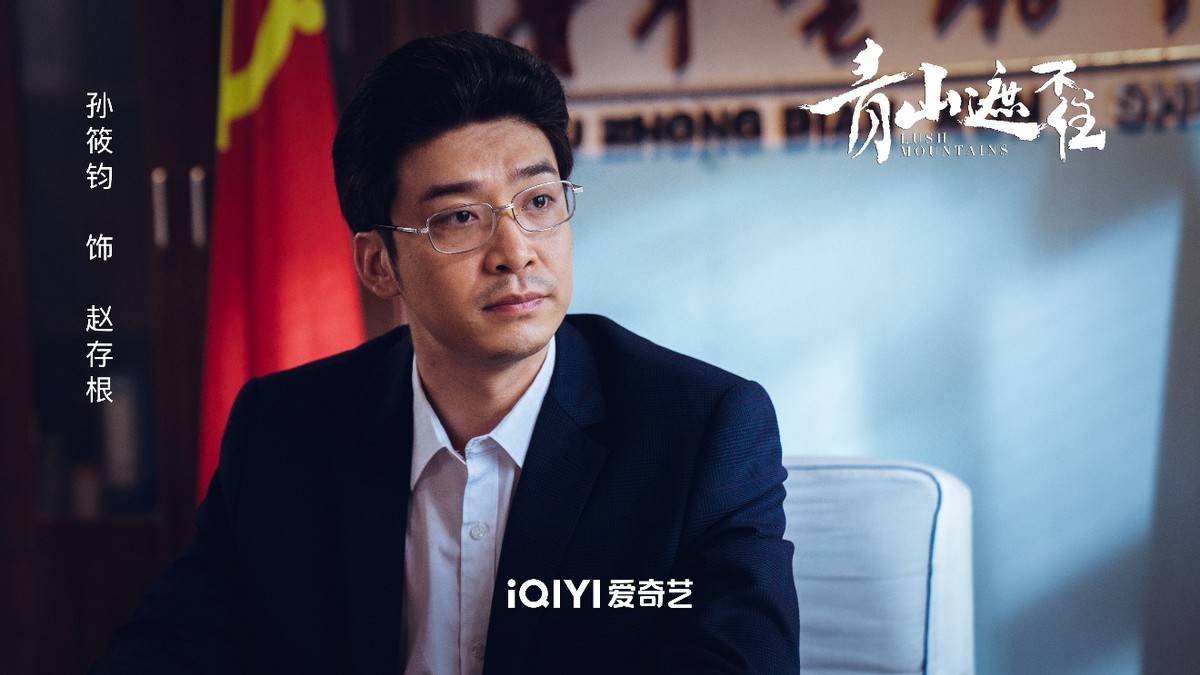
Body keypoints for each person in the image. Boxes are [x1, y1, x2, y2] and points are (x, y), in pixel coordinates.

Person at [92, 31, 798, 675]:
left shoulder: (701, 431)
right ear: (379, 265)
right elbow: (168, 649)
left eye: (538, 202)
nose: (515, 252)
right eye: (460, 217)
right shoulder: (283, 429)